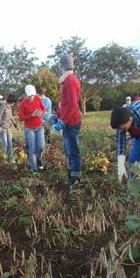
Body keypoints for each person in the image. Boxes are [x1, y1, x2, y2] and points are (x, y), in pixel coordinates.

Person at [57, 54, 82, 188]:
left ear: (62, 65)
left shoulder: (70, 80)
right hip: (68, 120)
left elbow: (73, 104)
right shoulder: (67, 80)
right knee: (68, 149)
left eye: (59, 64)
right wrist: (57, 116)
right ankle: (72, 173)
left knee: (73, 149)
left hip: (71, 121)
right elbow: (65, 103)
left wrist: (63, 121)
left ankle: (75, 178)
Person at [19, 85, 45, 172]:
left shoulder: (37, 99)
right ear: (25, 95)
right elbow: (21, 118)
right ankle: (33, 169)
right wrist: (31, 115)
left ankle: (38, 159)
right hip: (29, 128)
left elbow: (43, 108)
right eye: (29, 96)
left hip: (39, 127)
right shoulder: (23, 104)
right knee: (32, 148)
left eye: (33, 95)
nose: (31, 97)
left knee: (41, 146)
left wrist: (41, 112)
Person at [0, 94, 18, 163]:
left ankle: (11, 159)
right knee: (5, 144)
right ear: (11, 102)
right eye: (13, 102)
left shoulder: (10, 107)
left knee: (10, 144)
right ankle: (4, 160)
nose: (14, 104)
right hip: (2, 129)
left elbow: (11, 116)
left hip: (8, 128)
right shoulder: (3, 106)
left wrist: (15, 125)